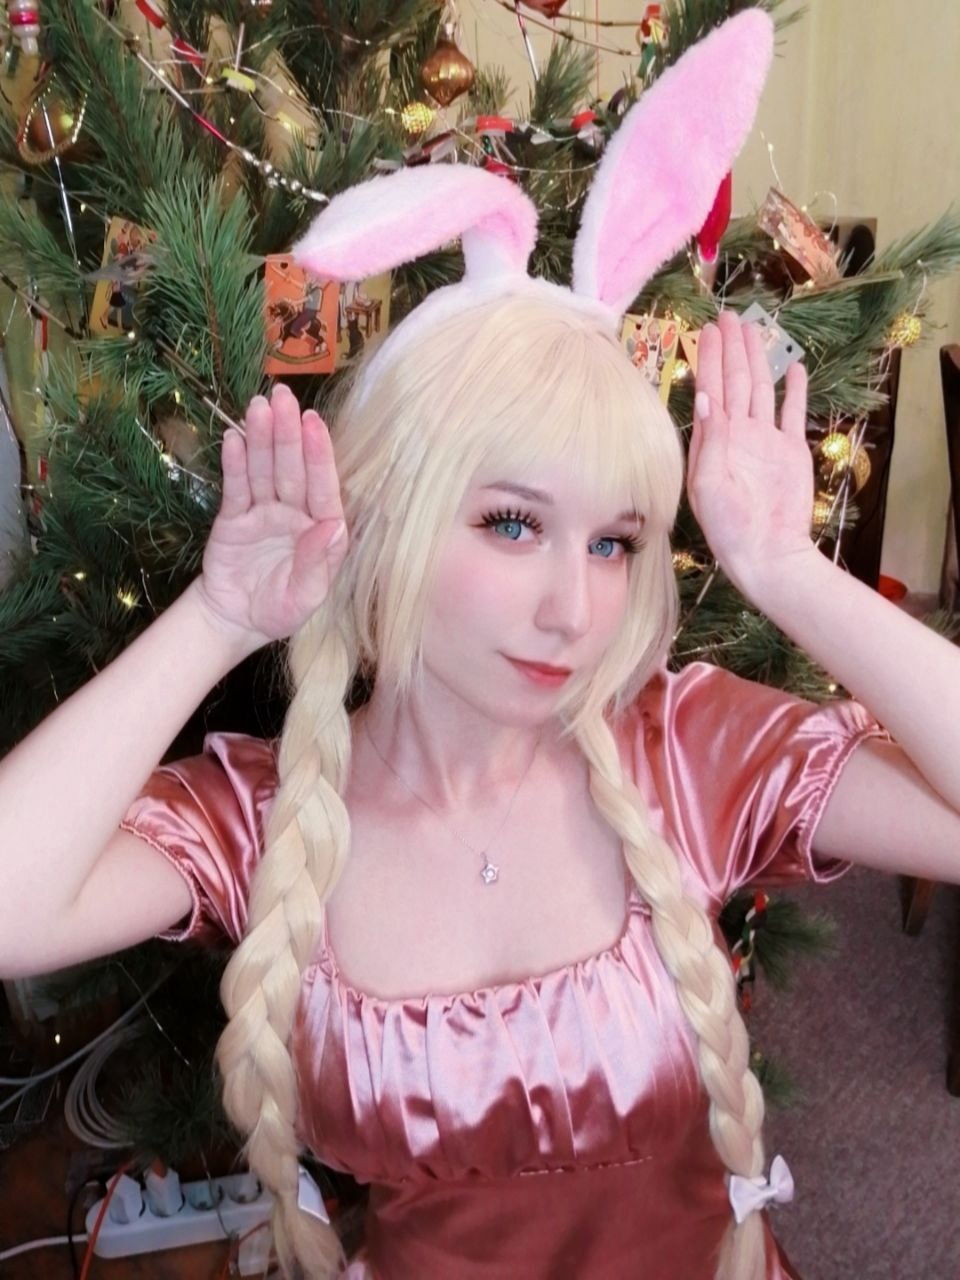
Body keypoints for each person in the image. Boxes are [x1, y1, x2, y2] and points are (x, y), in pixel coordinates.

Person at [2, 12, 960, 1280]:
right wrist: (218, 617)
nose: (574, 606)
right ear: (388, 514)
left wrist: (789, 572)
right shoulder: (276, 814)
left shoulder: (689, 753)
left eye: (614, 541)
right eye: (512, 522)